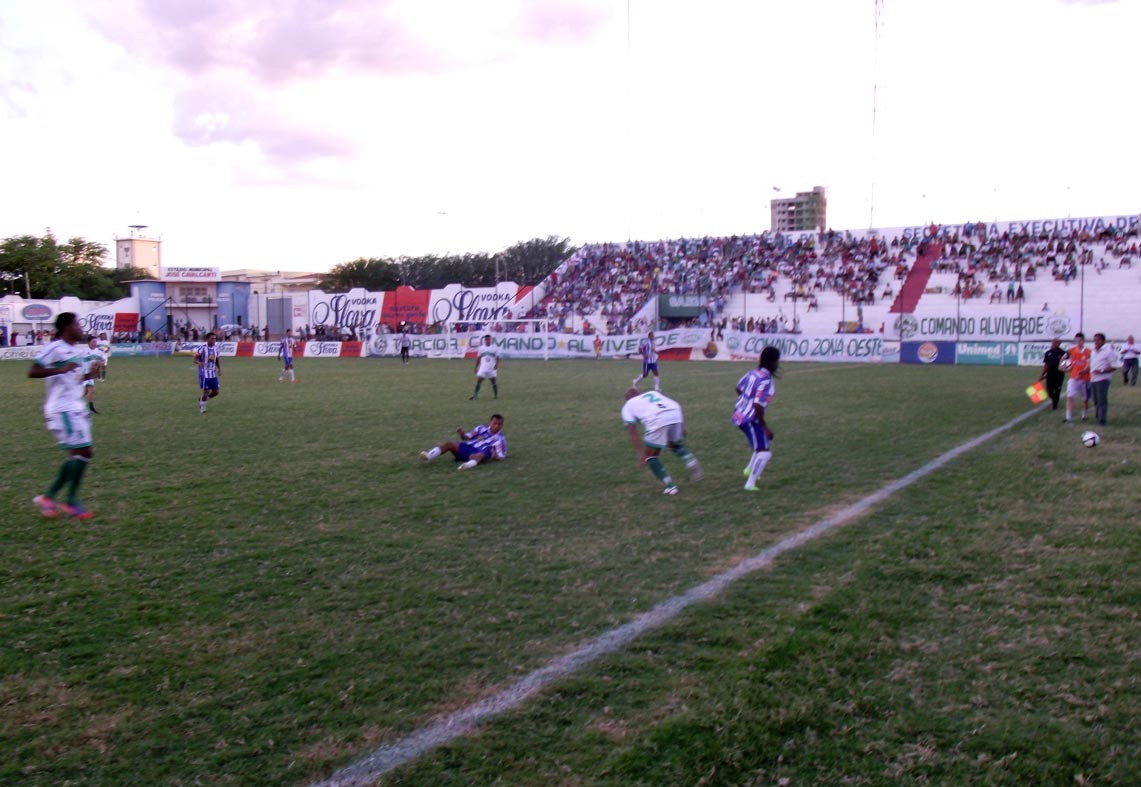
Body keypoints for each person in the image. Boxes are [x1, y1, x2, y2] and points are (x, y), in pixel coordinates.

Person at [26, 312, 102, 519]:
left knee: (80, 454)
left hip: (75, 406)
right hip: (61, 408)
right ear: (67, 327)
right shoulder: (54, 348)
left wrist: (89, 376)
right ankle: (68, 501)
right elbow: (32, 371)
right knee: (84, 451)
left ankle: (51, 498)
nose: (81, 328)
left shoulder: (74, 351)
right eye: (77, 324)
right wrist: (60, 370)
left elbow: (73, 378)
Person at [621, 388, 701, 495]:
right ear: (640, 394)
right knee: (673, 444)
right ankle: (690, 461)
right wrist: (682, 427)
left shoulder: (628, 406)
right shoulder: (652, 393)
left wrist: (640, 452)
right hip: (675, 412)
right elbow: (673, 404)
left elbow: (631, 430)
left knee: (650, 456)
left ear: (627, 399)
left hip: (657, 419)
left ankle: (671, 486)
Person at [732, 346, 780, 492]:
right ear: (772, 362)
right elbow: (758, 405)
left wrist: (745, 400)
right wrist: (765, 426)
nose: (778, 364)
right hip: (750, 418)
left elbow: (738, 387)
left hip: (740, 413)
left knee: (763, 443)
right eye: (777, 361)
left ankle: (749, 469)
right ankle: (750, 483)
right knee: (764, 452)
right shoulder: (765, 380)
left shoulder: (753, 372)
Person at [420, 414, 506, 470]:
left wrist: (494, 456)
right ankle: (428, 456)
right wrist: (462, 434)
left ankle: (466, 466)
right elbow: (467, 437)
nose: (497, 426)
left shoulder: (500, 439)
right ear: (490, 422)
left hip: (480, 452)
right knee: (450, 444)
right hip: (468, 448)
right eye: (495, 423)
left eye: (500, 424)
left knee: (481, 453)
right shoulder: (481, 428)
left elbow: (500, 456)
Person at [1089, 333, 1117, 426]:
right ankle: (1098, 417)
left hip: (1103, 379)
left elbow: (1114, 366)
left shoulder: (1108, 351)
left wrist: (1101, 371)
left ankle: (1102, 420)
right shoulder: (1093, 351)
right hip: (1093, 379)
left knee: (1102, 400)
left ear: (1103, 341)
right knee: (1096, 400)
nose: (1095, 342)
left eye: (1097, 340)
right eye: (1094, 340)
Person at [1064, 332, 1091, 423]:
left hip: (1085, 378)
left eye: (1080, 340)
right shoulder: (1070, 350)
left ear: (1083, 341)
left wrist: (1083, 371)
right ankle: (1068, 417)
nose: (1078, 342)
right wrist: (1063, 366)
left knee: (1085, 399)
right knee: (1070, 396)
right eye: (1077, 340)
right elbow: (1064, 359)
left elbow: (1089, 365)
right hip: (1073, 378)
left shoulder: (1088, 351)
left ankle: (1085, 414)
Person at [195, 332, 222, 413]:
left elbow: (217, 359)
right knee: (206, 391)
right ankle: (202, 407)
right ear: (207, 339)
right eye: (212, 338)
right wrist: (199, 363)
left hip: (213, 374)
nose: (214, 340)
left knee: (216, 392)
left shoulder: (216, 348)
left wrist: (219, 368)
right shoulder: (202, 348)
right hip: (204, 374)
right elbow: (195, 358)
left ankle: (202, 400)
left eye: (215, 338)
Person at [1039, 338, 1066, 411]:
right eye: (1052, 343)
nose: (1053, 344)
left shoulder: (1063, 353)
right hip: (1050, 374)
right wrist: (1042, 375)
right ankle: (1053, 401)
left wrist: (1064, 369)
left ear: (1058, 344)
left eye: (1055, 343)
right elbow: (1046, 365)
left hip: (1059, 374)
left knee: (1057, 390)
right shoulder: (1048, 353)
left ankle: (1054, 405)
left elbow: (1065, 364)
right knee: (1049, 390)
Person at [470, 334, 499, 400]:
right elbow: (478, 358)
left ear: (490, 340)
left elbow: (497, 357)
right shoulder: (481, 348)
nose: (488, 341)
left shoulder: (494, 348)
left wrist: (496, 364)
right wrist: (476, 367)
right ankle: (475, 396)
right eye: (486, 339)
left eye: (489, 339)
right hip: (483, 368)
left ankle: (495, 396)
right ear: (485, 340)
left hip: (491, 368)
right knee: (479, 381)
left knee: (493, 381)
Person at [82, 336, 101, 413]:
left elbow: (98, 362)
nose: (95, 343)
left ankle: (71, 402)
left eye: (95, 342)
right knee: (91, 390)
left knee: (86, 392)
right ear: (88, 342)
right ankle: (91, 408)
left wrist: (98, 365)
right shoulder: (84, 351)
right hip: (84, 373)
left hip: (90, 374)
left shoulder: (97, 351)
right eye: (93, 341)